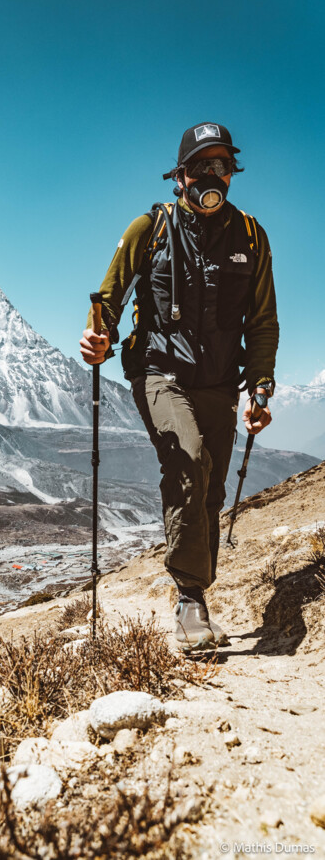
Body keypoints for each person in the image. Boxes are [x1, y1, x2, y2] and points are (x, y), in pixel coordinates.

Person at [79, 122, 279, 651]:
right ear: (182, 173)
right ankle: (190, 599)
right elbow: (108, 300)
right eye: (205, 165)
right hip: (158, 372)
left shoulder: (252, 238)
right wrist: (99, 337)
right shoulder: (150, 228)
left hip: (219, 382)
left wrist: (261, 388)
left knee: (209, 489)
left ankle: (198, 596)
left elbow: (262, 322)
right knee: (188, 458)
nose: (216, 175)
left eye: (225, 166)